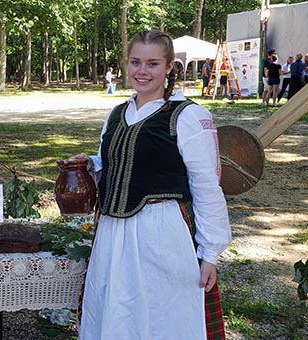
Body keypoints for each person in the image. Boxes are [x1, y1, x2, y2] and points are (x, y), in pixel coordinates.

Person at [70, 30, 231, 340]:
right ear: (126, 64)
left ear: (169, 67)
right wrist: (93, 163)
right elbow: (123, 160)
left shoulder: (188, 117)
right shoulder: (117, 114)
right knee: (115, 312)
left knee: (162, 315)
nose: (142, 71)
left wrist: (210, 253)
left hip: (161, 233)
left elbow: (207, 186)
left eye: (153, 63)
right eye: (135, 62)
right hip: (113, 233)